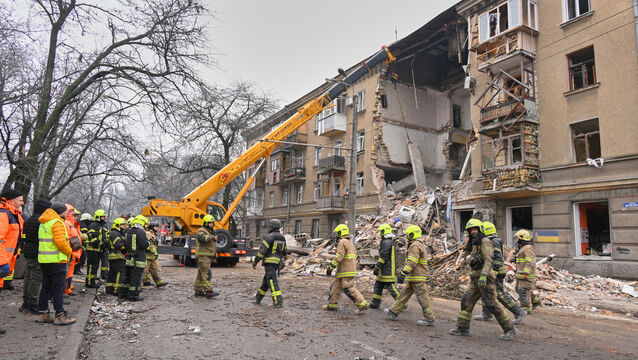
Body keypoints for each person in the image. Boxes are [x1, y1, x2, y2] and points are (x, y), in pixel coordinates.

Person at [450, 219, 516, 340]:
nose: (473, 232)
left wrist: (485, 275)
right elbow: (475, 258)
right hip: (475, 278)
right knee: (466, 301)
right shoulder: (475, 244)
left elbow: (488, 260)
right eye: (471, 230)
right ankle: (462, 328)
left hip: (484, 279)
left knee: (492, 304)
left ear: (480, 230)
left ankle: (509, 329)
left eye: (475, 229)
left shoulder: (485, 241)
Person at [473, 222, 526, 325]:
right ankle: (486, 314)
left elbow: (497, 259)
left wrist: (494, 272)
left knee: (499, 294)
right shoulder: (491, 240)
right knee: (486, 291)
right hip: (491, 271)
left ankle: (519, 312)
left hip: (496, 272)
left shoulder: (494, 241)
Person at [384, 225, 435, 326]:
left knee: (422, 297)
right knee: (404, 294)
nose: (406, 237)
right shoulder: (416, 244)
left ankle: (430, 318)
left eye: (408, 234)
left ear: (412, 234)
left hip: (417, 276)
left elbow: (412, 261)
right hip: (414, 276)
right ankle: (394, 311)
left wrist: (404, 272)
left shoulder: (415, 245)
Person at [35, 203, 76, 325]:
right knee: (58, 288)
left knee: (46, 287)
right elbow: (61, 243)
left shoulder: (44, 223)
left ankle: (42, 313)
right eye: (65, 211)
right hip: (57, 260)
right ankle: (60, 315)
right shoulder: (57, 222)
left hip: (45, 259)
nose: (67, 213)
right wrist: (69, 252)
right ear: (61, 212)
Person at [322, 224, 368, 313]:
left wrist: (331, 267)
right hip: (344, 270)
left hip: (346, 271)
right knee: (336, 288)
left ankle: (362, 304)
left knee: (348, 288)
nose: (336, 235)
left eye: (337, 233)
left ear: (340, 232)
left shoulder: (342, 242)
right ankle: (332, 305)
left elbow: (339, 256)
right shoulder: (350, 242)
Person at [20, 198, 52, 315]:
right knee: (35, 279)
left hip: (27, 252)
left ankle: (25, 303)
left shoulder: (29, 220)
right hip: (37, 253)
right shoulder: (41, 221)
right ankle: (33, 304)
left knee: (28, 277)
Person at [252, 219, 286, 307]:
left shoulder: (269, 237)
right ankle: (258, 298)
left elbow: (262, 251)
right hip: (276, 263)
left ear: (272, 227)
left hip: (269, 263)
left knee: (272, 281)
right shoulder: (283, 238)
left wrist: (255, 261)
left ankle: (278, 301)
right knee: (266, 281)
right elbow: (285, 252)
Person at [118, 215, 149, 301]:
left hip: (128, 259)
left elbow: (124, 244)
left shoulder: (127, 231)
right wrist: (148, 243)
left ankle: (122, 294)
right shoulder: (141, 232)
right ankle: (133, 296)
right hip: (138, 260)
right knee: (136, 279)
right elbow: (144, 245)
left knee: (126, 277)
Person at [369, 224, 399, 309]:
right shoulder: (387, 241)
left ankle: (401, 303)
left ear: (384, 231)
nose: (380, 234)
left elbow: (383, 257)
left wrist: (377, 267)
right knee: (378, 285)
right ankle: (375, 303)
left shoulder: (386, 242)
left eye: (380, 232)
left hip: (387, 269)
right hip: (385, 269)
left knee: (391, 286)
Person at [0, 189, 25, 293]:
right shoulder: (3, 215)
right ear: (10, 201)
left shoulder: (13, 215)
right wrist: (2, 262)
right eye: (20, 200)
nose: (22, 203)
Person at [513, 229, 540, 313]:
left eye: (518, 239)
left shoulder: (528, 248)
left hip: (525, 275)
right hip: (521, 274)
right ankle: (535, 300)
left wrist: (526, 273)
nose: (517, 241)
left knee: (523, 290)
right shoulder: (523, 248)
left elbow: (530, 261)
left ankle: (525, 308)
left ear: (522, 239)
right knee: (519, 289)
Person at [194, 215, 219, 299]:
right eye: (210, 223)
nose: (211, 224)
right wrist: (211, 237)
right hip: (203, 256)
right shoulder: (201, 230)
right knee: (207, 274)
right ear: (205, 223)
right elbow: (202, 238)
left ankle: (198, 290)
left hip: (207, 256)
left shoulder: (210, 231)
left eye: (212, 223)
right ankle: (209, 292)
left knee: (201, 275)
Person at [86, 209, 109, 288]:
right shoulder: (93, 225)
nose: (104, 218)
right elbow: (90, 237)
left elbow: (107, 236)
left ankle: (93, 282)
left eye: (104, 217)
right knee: (92, 267)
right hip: (92, 250)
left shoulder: (104, 226)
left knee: (96, 267)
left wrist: (106, 243)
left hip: (100, 250)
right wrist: (99, 243)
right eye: (103, 217)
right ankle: (89, 283)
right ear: (98, 216)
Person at [64, 206, 83, 295]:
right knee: (66, 273)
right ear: (68, 214)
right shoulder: (67, 224)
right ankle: (64, 290)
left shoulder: (73, 225)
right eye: (74, 215)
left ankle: (67, 290)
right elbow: (66, 239)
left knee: (70, 273)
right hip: (70, 253)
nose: (77, 217)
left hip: (73, 254)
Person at [105, 218, 127, 295]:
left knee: (112, 273)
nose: (124, 227)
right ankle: (116, 290)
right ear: (118, 225)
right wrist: (126, 247)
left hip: (115, 256)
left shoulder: (118, 233)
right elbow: (119, 245)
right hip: (117, 256)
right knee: (119, 273)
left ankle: (109, 289)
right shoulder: (115, 233)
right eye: (123, 225)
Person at [142, 223, 167, 288]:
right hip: (147, 255)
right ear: (152, 227)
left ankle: (159, 282)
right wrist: (154, 252)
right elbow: (149, 244)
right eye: (156, 227)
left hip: (153, 256)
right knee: (144, 271)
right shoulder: (148, 233)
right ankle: (140, 284)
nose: (157, 228)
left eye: (157, 227)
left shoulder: (153, 234)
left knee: (156, 269)